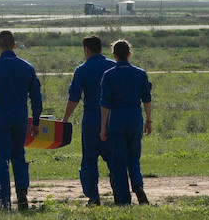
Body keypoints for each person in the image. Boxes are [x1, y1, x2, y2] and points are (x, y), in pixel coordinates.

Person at [0, 30, 42, 211]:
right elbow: (36, 98)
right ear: (14, 45)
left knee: (1, 160)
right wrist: (36, 122)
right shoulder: (27, 67)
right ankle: (22, 196)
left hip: (1, 117)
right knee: (19, 156)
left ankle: (4, 202)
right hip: (20, 117)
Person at [62, 35, 116, 206]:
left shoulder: (82, 69)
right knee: (115, 159)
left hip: (92, 118)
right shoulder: (113, 66)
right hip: (112, 118)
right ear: (101, 48)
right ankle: (120, 194)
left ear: (86, 50)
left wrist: (65, 119)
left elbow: (74, 97)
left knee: (89, 159)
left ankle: (93, 197)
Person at [100, 39, 152, 206]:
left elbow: (105, 103)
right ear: (130, 54)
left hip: (117, 120)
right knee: (134, 157)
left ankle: (124, 199)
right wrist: (149, 120)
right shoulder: (140, 74)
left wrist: (103, 127)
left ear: (114, 55)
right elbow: (147, 99)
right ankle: (137, 184)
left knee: (118, 161)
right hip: (135, 118)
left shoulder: (108, 75)